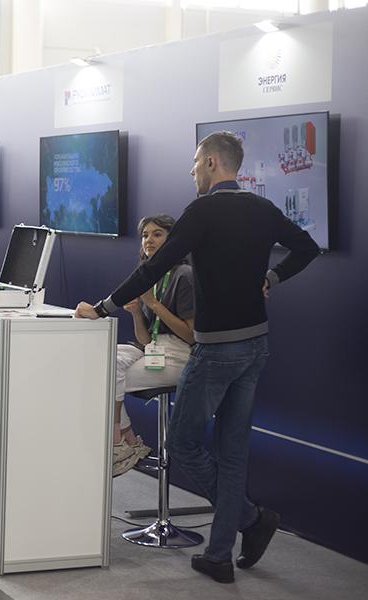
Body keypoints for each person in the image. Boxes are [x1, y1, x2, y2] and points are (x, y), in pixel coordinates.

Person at [75, 131, 319, 583]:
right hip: (256, 345)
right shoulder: (263, 208)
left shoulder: (203, 211)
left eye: (194, 163)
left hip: (217, 349)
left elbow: (153, 267)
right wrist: (272, 278)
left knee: (183, 443)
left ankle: (248, 518)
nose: (191, 171)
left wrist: (104, 307)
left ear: (211, 163)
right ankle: (220, 554)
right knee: (233, 451)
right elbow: (307, 247)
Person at [112, 214, 194, 477]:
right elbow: (145, 339)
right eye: (145, 235)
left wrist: (154, 304)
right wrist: (137, 312)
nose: (149, 240)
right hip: (152, 349)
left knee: (106, 377)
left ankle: (119, 441)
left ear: (172, 240)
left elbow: (191, 336)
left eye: (157, 234)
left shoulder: (184, 275)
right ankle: (127, 440)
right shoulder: (150, 276)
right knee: (99, 361)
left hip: (180, 355)